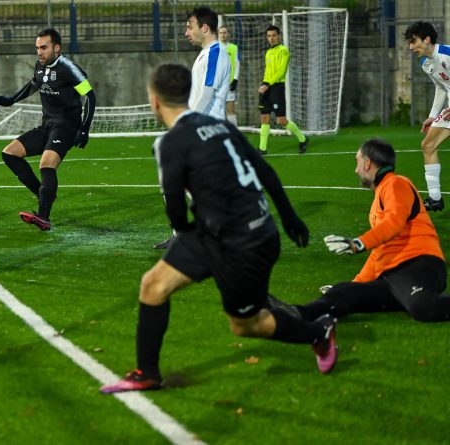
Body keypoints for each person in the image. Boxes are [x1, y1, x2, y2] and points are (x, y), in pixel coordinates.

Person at [100, 63, 337, 394]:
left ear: (154, 101)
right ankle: (147, 373)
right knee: (153, 286)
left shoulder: (170, 143)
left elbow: (174, 203)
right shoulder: (218, 125)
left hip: (245, 242)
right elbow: (264, 170)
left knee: (245, 325)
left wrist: (182, 232)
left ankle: (318, 332)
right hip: (223, 229)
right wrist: (289, 217)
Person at [297, 139, 450, 323]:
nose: (356, 170)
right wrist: (356, 283)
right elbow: (381, 248)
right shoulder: (380, 196)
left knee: (424, 308)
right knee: (344, 291)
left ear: (367, 163)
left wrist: (359, 243)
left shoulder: (396, 183)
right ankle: (296, 315)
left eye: (357, 162)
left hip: (418, 265)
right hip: (391, 277)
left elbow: (394, 223)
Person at [0, 28, 96, 231]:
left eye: (44, 47)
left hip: (66, 126)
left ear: (56, 48)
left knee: (46, 164)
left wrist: (84, 128)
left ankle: (43, 216)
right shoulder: (39, 67)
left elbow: (90, 96)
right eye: (37, 48)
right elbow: (33, 85)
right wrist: (10, 100)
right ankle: (44, 194)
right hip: (46, 125)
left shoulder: (69, 69)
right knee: (10, 154)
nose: (39, 52)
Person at [153, 6, 231, 250]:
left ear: (204, 28)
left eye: (189, 26)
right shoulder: (206, 54)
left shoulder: (217, 53)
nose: (186, 31)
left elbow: (207, 94)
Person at [404, 21, 448, 211]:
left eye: (414, 42)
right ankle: (435, 198)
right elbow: (441, 87)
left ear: (427, 40)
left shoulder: (446, 54)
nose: (410, 47)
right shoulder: (425, 63)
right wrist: (433, 115)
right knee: (428, 145)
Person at [257, 25, 309, 155]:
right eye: (269, 36)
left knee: (281, 121)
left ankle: (303, 139)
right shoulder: (268, 52)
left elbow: (281, 72)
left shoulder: (284, 51)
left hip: (276, 87)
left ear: (279, 36)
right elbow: (268, 71)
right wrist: (264, 85)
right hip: (266, 86)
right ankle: (262, 149)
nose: (271, 38)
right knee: (264, 118)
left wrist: (267, 85)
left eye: (274, 35)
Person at [219, 25, 240, 126]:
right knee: (218, 112)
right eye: (221, 33)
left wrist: (235, 79)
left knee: (230, 111)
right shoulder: (215, 48)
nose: (223, 35)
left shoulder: (234, 48)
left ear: (228, 34)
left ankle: (234, 135)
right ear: (218, 35)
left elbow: (237, 63)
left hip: (229, 84)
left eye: (225, 32)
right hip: (217, 84)